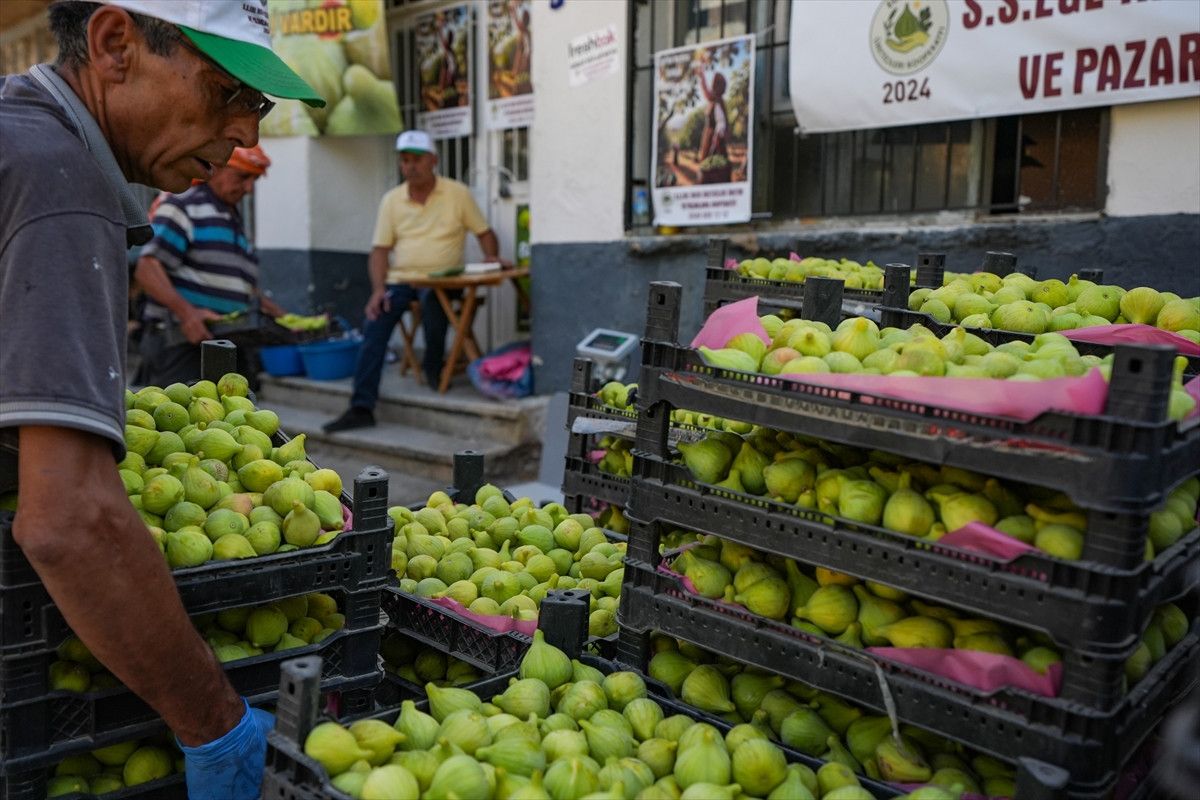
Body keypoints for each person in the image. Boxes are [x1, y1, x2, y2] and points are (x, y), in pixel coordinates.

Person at [0, 2, 323, 798]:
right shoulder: (57, 177)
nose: (244, 134)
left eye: (259, 104)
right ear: (116, 44)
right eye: (225, 92)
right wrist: (216, 723)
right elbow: (69, 519)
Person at [323, 130, 499, 433]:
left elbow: (485, 233)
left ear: (434, 160)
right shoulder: (392, 200)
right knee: (374, 324)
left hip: (444, 282)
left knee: (434, 303)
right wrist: (378, 290)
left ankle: (433, 366)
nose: (410, 166)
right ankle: (361, 407)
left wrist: (492, 258)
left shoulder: (457, 193)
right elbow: (380, 251)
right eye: (405, 160)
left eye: (417, 159)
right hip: (400, 281)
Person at [135, 145, 284, 388]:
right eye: (243, 177)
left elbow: (243, 287)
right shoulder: (184, 205)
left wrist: (283, 318)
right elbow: (147, 268)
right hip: (182, 346)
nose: (248, 188)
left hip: (225, 344)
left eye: (254, 180)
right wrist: (188, 315)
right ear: (217, 167)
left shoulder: (232, 218)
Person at [695, 64, 729, 164]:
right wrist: (702, 76)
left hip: (713, 137)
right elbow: (706, 92)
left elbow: (721, 122)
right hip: (710, 134)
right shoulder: (715, 100)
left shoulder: (717, 101)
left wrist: (717, 135)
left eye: (713, 83)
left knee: (712, 164)